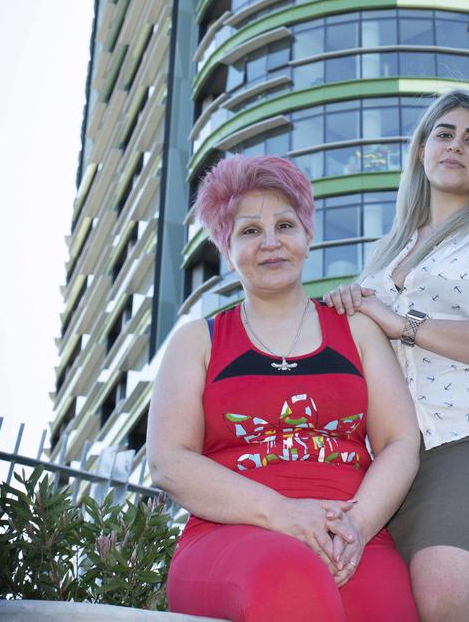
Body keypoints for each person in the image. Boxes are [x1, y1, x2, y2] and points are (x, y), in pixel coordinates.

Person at [148, 155, 420, 622]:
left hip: (353, 535)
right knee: (291, 581)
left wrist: (356, 524)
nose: (271, 243)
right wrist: (284, 513)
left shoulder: (357, 329)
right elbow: (168, 461)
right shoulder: (197, 340)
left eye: (285, 225)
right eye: (250, 231)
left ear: (308, 236)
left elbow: (400, 441)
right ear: (227, 248)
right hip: (229, 534)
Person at [323, 88, 469, 622]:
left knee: (444, 593)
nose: (456, 146)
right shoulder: (385, 256)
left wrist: (402, 324)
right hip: (393, 461)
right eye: (444, 134)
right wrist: (346, 312)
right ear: (422, 149)